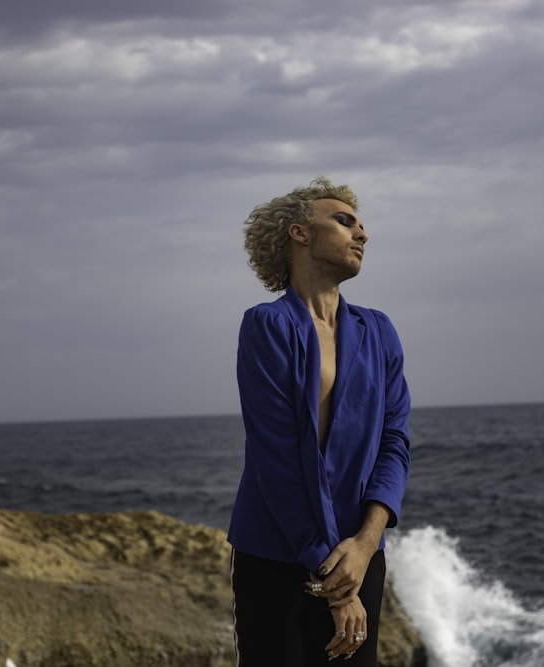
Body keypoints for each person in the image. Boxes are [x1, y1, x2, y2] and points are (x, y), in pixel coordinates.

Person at [228, 177, 412, 665]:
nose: (363, 234)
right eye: (345, 221)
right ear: (300, 234)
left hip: (359, 557)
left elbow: (395, 442)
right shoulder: (267, 325)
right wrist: (333, 582)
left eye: (363, 226)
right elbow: (278, 459)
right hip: (277, 555)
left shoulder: (379, 331)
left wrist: (366, 542)